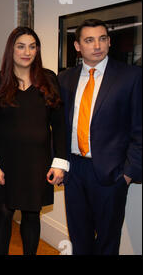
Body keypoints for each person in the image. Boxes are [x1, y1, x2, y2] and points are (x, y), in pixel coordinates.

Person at [0, 27, 68, 255]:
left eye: (32, 46)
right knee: (3, 212)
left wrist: (59, 162)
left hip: (37, 163)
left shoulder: (49, 79)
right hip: (5, 163)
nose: (27, 51)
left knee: (32, 214)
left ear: (37, 50)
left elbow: (59, 125)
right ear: (12, 49)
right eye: (21, 46)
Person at [58, 19, 141, 255]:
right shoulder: (64, 79)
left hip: (111, 174)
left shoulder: (131, 76)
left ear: (109, 41)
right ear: (77, 46)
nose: (97, 45)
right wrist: (60, 163)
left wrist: (127, 174)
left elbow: (140, 129)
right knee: (79, 236)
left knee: (107, 240)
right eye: (89, 40)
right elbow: (59, 125)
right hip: (74, 171)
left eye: (102, 38)